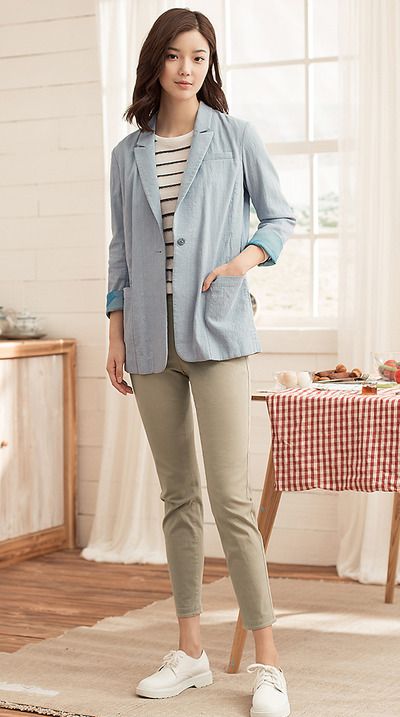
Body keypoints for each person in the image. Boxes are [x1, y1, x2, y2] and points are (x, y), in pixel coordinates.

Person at [106, 8, 295, 717]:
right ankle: (190, 652)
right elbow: (121, 250)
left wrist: (243, 261)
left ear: (210, 65)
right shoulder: (127, 154)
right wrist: (116, 331)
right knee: (177, 496)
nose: (187, 68)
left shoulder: (235, 137)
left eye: (199, 56)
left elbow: (279, 218)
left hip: (217, 331)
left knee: (231, 499)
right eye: (175, 55)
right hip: (149, 339)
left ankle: (269, 663)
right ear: (155, 62)